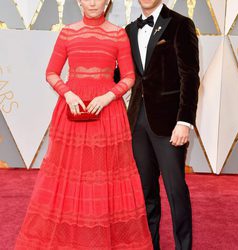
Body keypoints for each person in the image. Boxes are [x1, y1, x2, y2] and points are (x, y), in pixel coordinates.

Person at [15, 0, 153, 249]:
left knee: (104, 175)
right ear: (79, 1)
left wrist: (108, 96)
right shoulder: (68, 32)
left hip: (108, 114)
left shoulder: (118, 34)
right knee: (69, 176)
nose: (92, 2)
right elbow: (51, 72)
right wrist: (68, 94)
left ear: (108, 2)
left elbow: (130, 76)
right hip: (72, 111)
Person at [125, 1, 200, 249]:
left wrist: (184, 121)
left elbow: (190, 76)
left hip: (170, 123)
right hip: (137, 122)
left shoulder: (180, 24)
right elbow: (127, 76)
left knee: (176, 191)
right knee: (145, 194)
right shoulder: (129, 30)